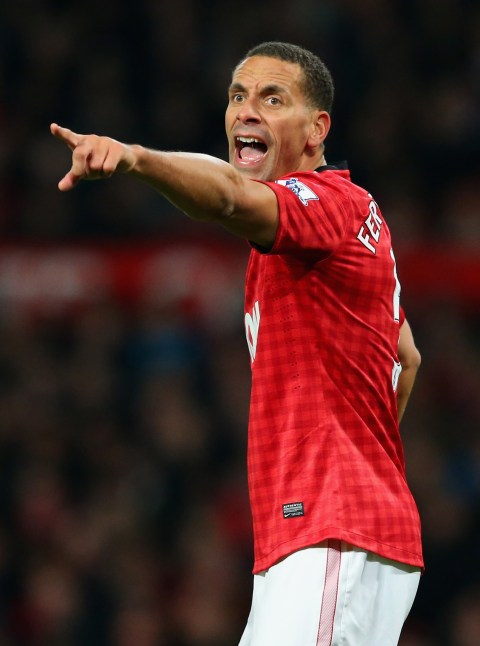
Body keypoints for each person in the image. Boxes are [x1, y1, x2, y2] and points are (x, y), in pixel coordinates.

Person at [51, 41, 423, 645]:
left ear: (316, 129)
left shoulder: (329, 204)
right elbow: (406, 356)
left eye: (272, 99)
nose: (246, 110)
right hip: (319, 534)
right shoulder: (341, 227)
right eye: (237, 96)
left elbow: (227, 194)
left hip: (333, 529)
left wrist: (136, 159)